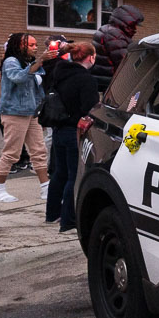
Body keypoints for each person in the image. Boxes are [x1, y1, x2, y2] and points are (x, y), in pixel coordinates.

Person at [43, 41, 98, 232]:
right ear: (90, 57)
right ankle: (68, 220)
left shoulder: (59, 73)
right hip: (74, 131)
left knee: (59, 173)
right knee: (73, 177)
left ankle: (52, 214)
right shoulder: (86, 80)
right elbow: (89, 108)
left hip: (58, 129)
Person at [0, 33, 59, 203]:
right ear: (20, 46)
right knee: (11, 153)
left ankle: (46, 189)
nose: (35, 47)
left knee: (39, 151)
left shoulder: (27, 62)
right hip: (14, 113)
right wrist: (39, 61)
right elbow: (19, 78)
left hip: (30, 113)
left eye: (35, 44)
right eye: (31, 45)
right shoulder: (11, 62)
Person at [91, 4, 144, 90]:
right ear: (126, 22)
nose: (135, 29)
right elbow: (123, 60)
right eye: (133, 25)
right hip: (110, 80)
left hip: (102, 77)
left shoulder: (107, 29)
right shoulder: (115, 35)